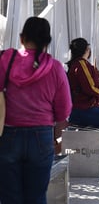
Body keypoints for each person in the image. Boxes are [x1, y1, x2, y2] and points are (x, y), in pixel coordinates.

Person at [0, 17, 72, 204]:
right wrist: (57, 136)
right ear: (47, 41)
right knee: (36, 196)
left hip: (8, 136)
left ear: (21, 38)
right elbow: (64, 110)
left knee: (9, 196)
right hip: (41, 137)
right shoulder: (55, 68)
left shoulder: (5, 61)